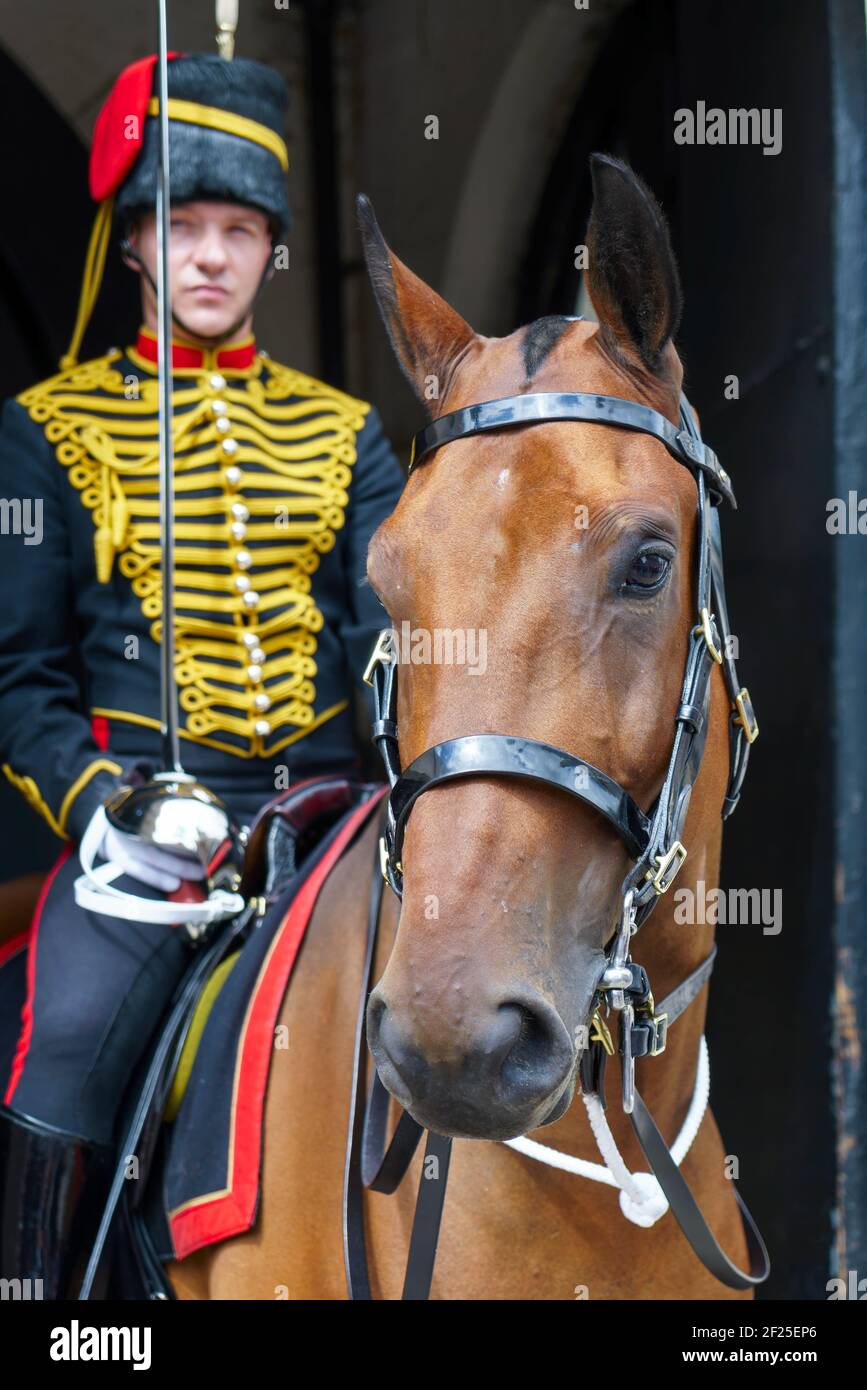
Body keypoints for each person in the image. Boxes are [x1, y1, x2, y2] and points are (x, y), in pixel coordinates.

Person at [0, 50, 404, 1297]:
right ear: (135, 243)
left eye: (242, 231)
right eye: (185, 227)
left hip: (329, 818)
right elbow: (20, 683)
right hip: (142, 835)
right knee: (60, 1042)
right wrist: (104, 809)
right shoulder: (47, 428)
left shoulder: (349, 436)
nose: (214, 257)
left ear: (273, 249)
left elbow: (389, 640)